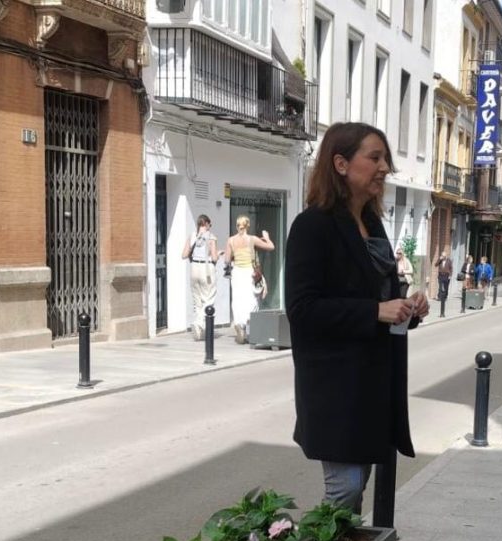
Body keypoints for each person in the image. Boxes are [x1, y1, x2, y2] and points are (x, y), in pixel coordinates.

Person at [285, 122, 429, 514]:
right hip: (336, 387)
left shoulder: (373, 225)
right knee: (345, 489)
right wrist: (375, 311)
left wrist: (407, 307)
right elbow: (301, 309)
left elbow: (381, 298)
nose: (385, 167)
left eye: (386, 158)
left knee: (355, 487)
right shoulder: (312, 226)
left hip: (373, 385)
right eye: (375, 157)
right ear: (341, 164)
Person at [224, 215, 275, 344]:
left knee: (237, 299)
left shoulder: (231, 240)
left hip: (237, 273)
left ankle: (239, 324)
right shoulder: (252, 239)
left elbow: (227, 260)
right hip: (249, 273)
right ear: (248, 226)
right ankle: (249, 325)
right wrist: (267, 237)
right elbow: (271, 247)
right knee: (251, 299)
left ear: (237, 226)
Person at [181, 214, 220, 341]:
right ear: (207, 224)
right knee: (209, 297)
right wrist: (218, 254)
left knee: (197, 299)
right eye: (210, 225)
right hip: (206, 269)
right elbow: (214, 258)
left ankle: (197, 323)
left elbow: (184, 255)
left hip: (194, 269)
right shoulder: (211, 237)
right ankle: (199, 324)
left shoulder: (192, 236)